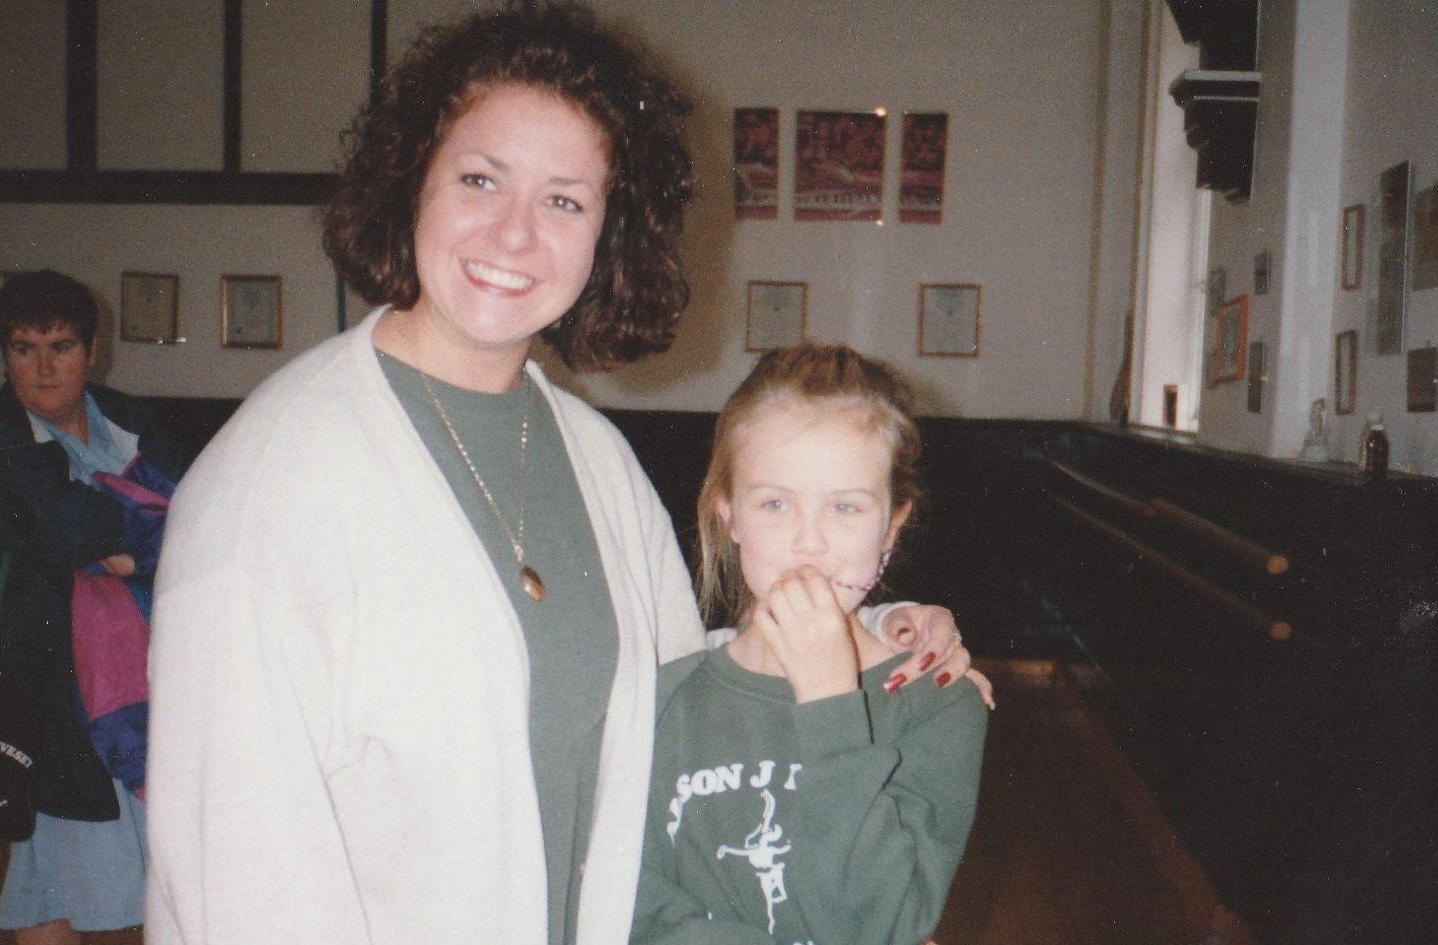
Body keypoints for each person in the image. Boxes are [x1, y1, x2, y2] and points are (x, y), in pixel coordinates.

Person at [145, 6, 974, 945]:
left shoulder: (593, 455)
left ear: (608, 233)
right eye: (479, 179)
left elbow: (688, 703)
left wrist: (874, 636)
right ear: (412, 179)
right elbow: (233, 876)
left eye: (565, 200)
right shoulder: (271, 483)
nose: (513, 234)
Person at [631, 344, 989, 945]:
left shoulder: (939, 703)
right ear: (730, 517)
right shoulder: (664, 698)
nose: (810, 542)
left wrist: (829, 699)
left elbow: (883, 925)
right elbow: (633, 903)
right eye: (775, 503)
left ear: (890, 530)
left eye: (845, 507)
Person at [0, 269, 188, 945]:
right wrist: (144, 532)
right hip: (55, 690)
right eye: (25, 349)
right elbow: (79, 530)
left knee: (162, 864)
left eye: (60, 346)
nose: (44, 368)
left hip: (154, 676)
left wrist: (130, 546)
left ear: (91, 351)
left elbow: (194, 514)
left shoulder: (135, 422)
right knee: (48, 867)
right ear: (6, 357)